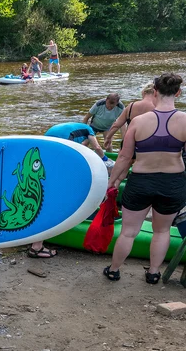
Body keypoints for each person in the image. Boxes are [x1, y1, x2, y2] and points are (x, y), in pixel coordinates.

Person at [103, 73, 186, 284]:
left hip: (140, 181)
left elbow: (123, 157)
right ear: (178, 92)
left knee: (129, 232)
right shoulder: (185, 121)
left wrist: (112, 182)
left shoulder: (138, 121)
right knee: (162, 230)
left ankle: (114, 270)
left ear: (155, 92)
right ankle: (154, 273)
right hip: (172, 182)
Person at [26, 122, 113, 258]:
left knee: (48, 191)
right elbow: (96, 147)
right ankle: (36, 247)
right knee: (52, 199)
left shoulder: (73, 129)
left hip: (44, 150)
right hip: (59, 151)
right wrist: (105, 160)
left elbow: (79, 148)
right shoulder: (89, 130)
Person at [103, 83, 156, 151]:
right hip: (147, 144)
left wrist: (108, 138)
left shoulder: (131, 106)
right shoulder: (156, 108)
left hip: (128, 143)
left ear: (144, 92)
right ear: (155, 94)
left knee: (123, 160)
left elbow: (116, 125)